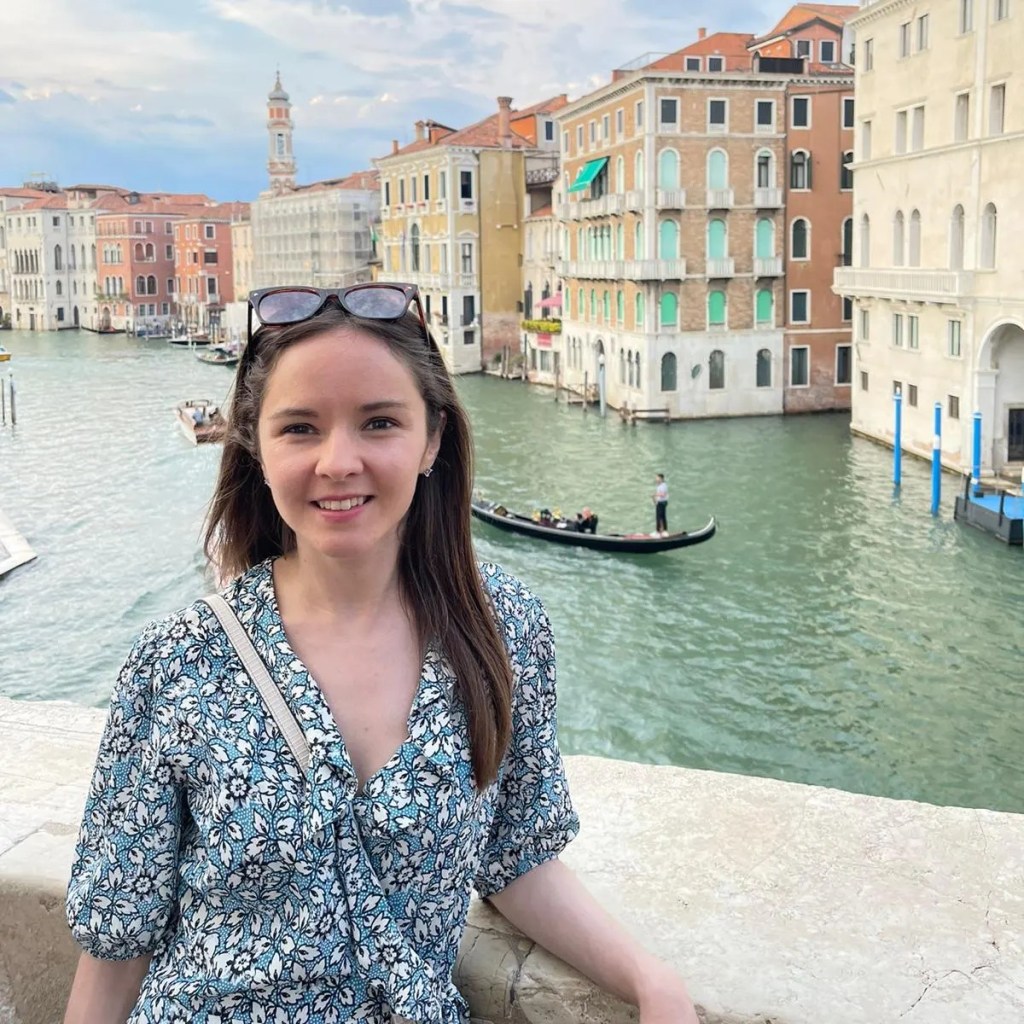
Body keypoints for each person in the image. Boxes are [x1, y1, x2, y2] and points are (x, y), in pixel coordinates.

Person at [63, 283, 698, 1024]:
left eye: (378, 423)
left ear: (432, 439)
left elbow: (516, 856)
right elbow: (117, 941)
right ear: (255, 447)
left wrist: (652, 981)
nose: (339, 461)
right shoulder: (175, 662)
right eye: (300, 428)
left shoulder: (505, 630)